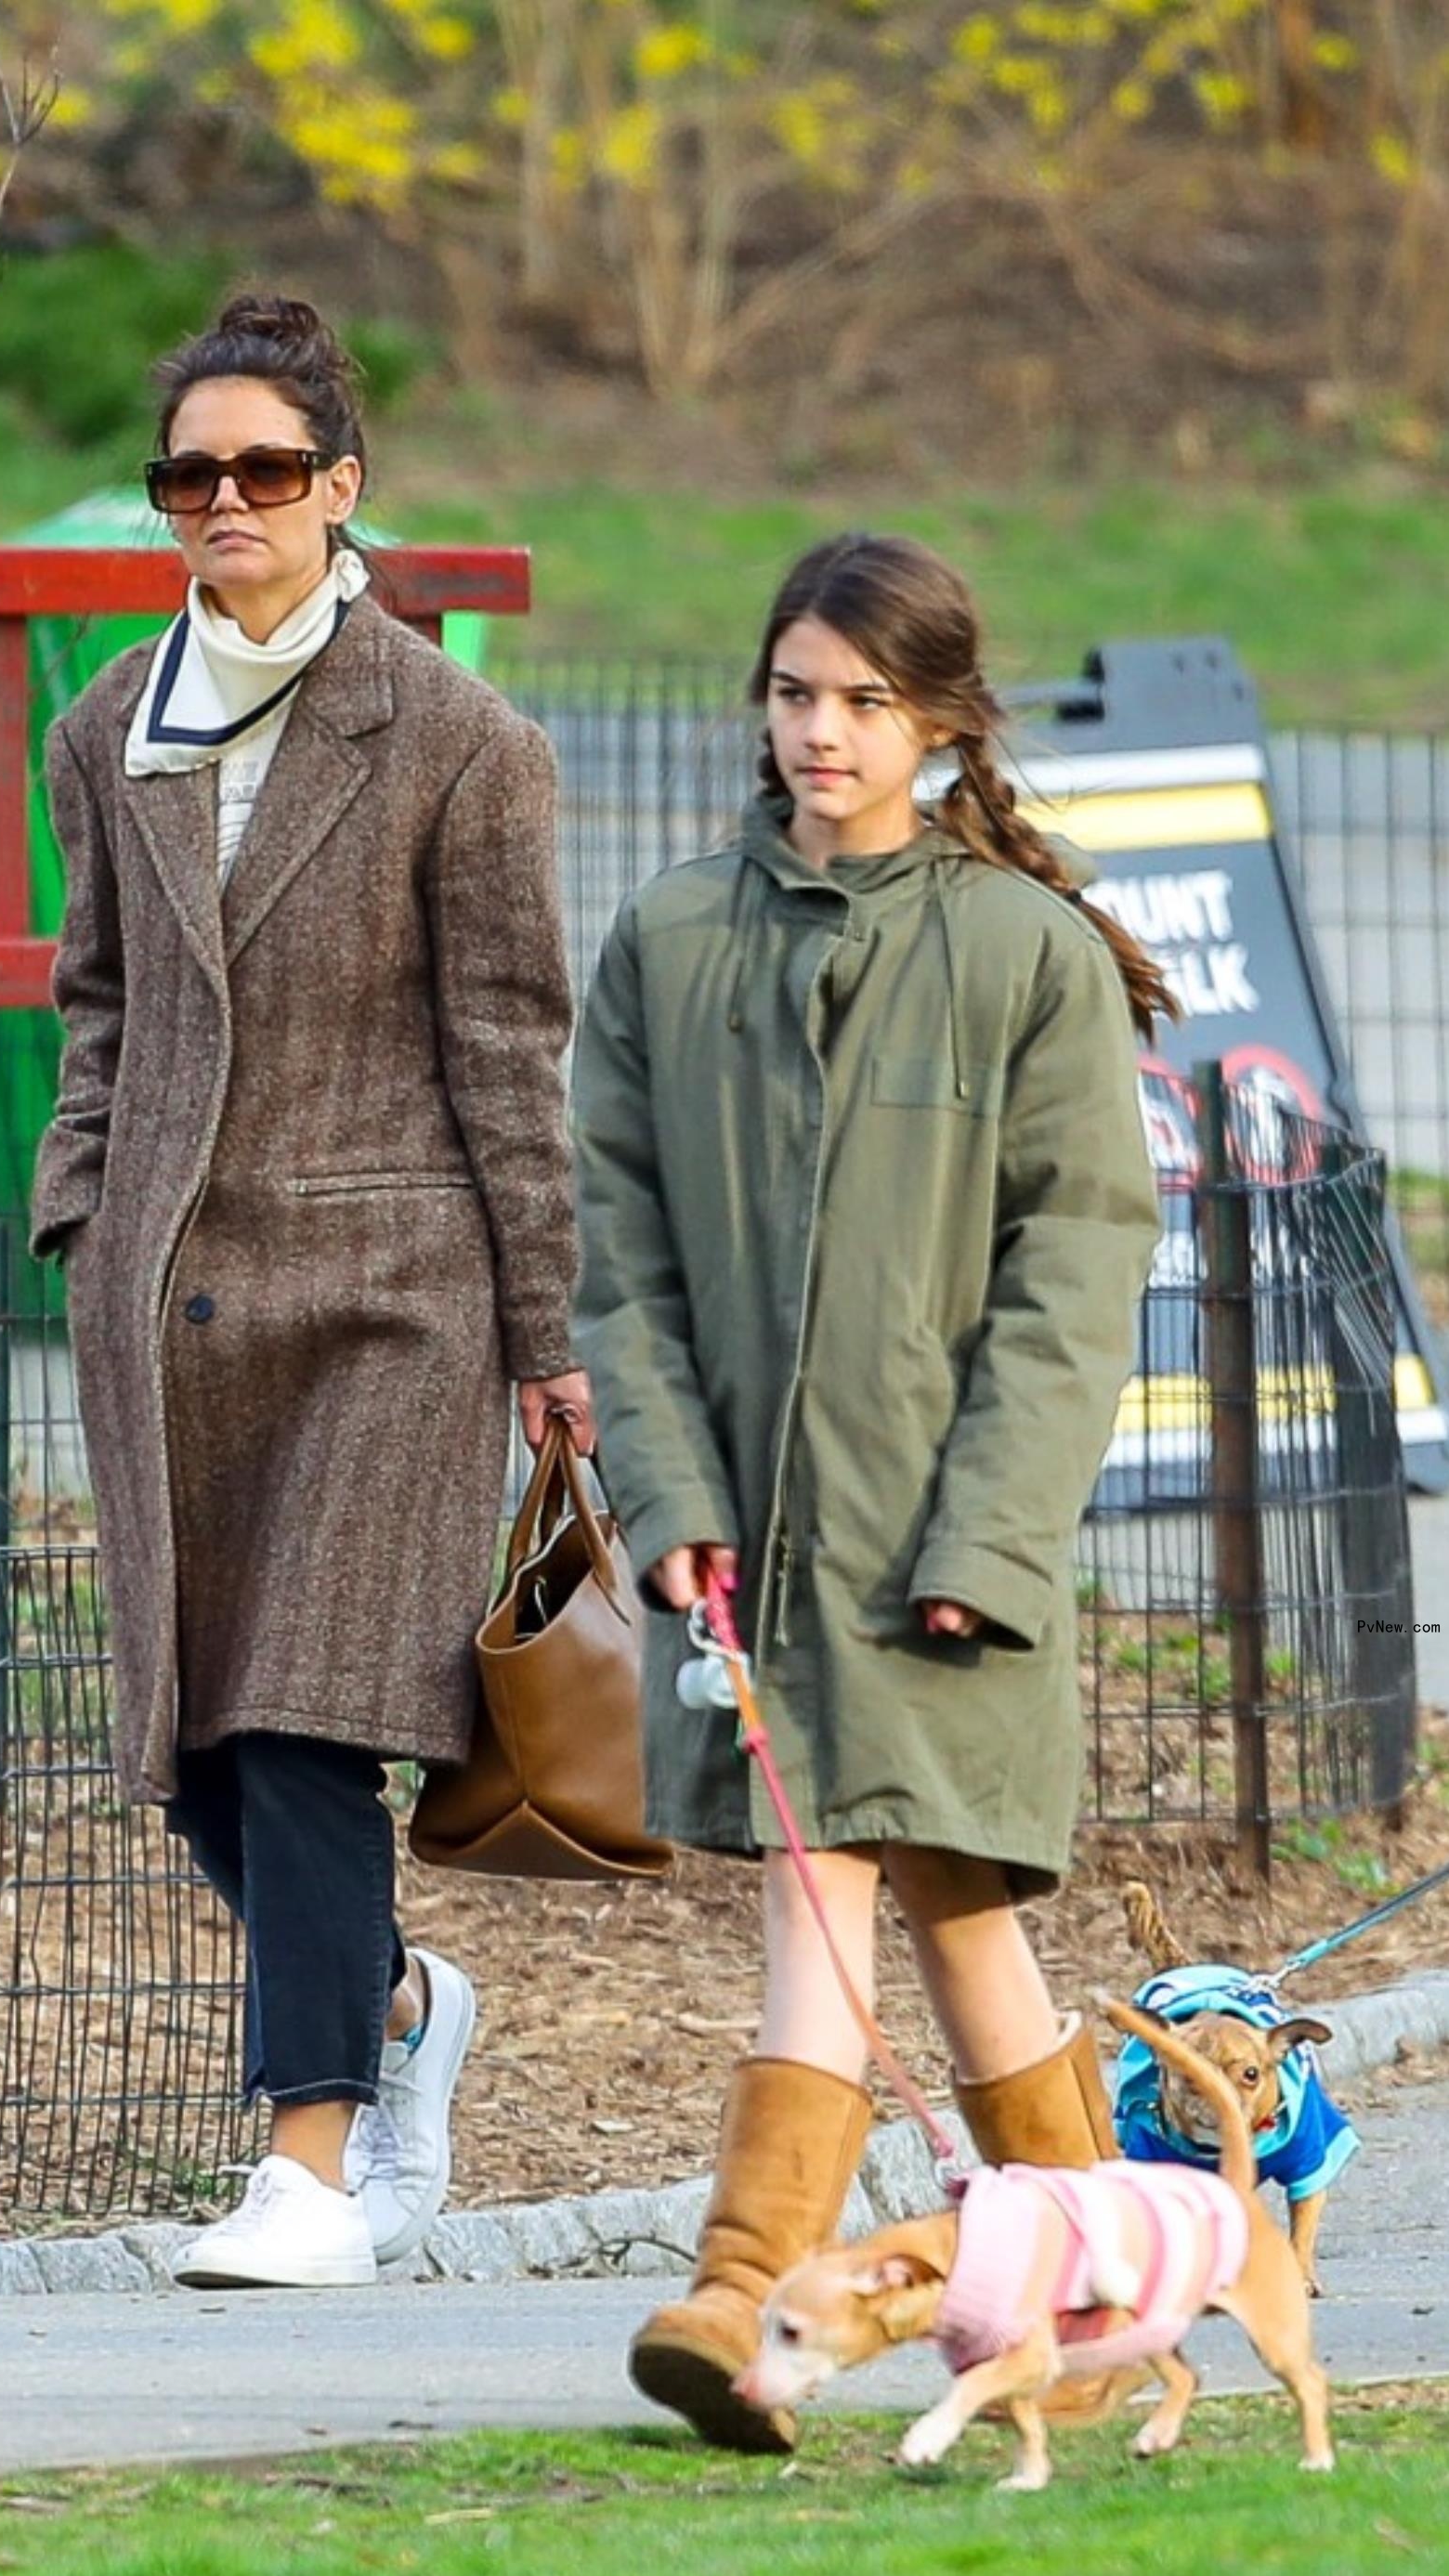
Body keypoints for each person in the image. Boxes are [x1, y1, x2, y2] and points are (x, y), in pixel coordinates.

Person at [571, 531, 1168, 2449]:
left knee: (963, 1915)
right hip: (759, 1547)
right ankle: (784, 2306)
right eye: (793, 691)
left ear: (939, 722)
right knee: (838, 1896)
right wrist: (663, 1489)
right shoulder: (674, 937)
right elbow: (621, 1247)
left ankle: (977, 2296)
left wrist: (988, 1541)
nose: (820, 731)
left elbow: (1077, 1276)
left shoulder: (1024, 954)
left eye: (861, 699)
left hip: (946, 1552)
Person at [30, 293, 592, 2289]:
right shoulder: (106, 728)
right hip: (168, 1300)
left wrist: (547, 1334)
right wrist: (81, 1207)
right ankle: (401, 2001)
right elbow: (96, 1002)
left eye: (267, 470)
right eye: (193, 474)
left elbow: (512, 1049)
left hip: (394, 1297)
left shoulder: (461, 742)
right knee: (187, 1735)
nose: (226, 503)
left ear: (342, 492)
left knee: (300, 1717)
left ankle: (312, 2180)